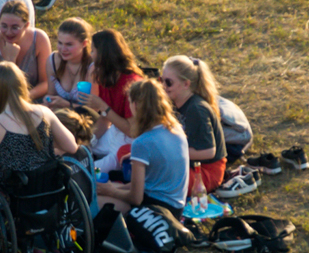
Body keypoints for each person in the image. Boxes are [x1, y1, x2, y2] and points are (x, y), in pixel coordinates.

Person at [0, 61, 78, 185]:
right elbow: (72, 146)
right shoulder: (45, 113)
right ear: (22, 84)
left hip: (14, 197)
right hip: (48, 192)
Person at [94, 78, 189, 215]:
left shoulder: (142, 142)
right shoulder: (175, 128)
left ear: (136, 105)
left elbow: (136, 198)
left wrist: (111, 191)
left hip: (156, 209)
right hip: (177, 206)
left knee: (95, 198)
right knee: (104, 187)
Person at [162, 55, 228, 196]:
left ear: (186, 84)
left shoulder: (196, 109)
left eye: (168, 82)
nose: (163, 87)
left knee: (158, 177)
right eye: (161, 80)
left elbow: (209, 152)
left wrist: (170, 153)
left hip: (207, 171)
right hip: (189, 165)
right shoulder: (174, 102)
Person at [79, 27, 141, 172]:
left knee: (89, 171)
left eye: (93, 51)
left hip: (132, 141)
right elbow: (105, 119)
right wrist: (90, 141)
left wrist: (103, 107)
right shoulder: (107, 76)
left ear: (103, 55)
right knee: (81, 149)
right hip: (115, 132)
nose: (91, 55)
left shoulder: (131, 83)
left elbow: (133, 131)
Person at [0, 0, 54, 101]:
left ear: (26, 26)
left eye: (15, 27)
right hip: (3, 102)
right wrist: (9, 61)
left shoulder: (39, 39)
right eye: (4, 26)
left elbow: (46, 83)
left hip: (32, 99)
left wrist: (24, 98)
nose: (8, 32)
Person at [44, 17, 94, 111]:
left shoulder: (92, 66)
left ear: (84, 43)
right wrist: (49, 100)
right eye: (60, 43)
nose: (63, 49)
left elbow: (94, 108)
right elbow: (51, 94)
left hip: (87, 120)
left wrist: (67, 105)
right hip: (59, 116)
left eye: (69, 44)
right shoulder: (53, 61)